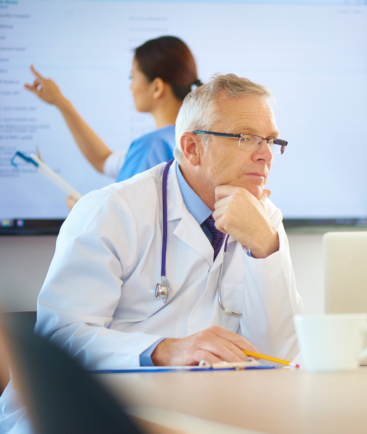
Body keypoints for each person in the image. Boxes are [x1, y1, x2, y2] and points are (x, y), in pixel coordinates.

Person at [0, 73, 303, 432]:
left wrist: (265, 247)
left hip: (201, 412)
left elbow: (281, 355)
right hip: (89, 413)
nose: (266, 154)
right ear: (191, 148)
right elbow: (59, 340)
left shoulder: (263, 219)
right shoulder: (112, 210)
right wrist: (165, 349)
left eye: (271, 140)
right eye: (246, 137)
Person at [24, 36, 201, 208]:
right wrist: (60, 103)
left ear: (156, 87)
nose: (130, 87)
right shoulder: (195, 143)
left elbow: (118, 225)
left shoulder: (151, 147)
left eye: (132, 77)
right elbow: (103, 160)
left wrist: (84, 213)